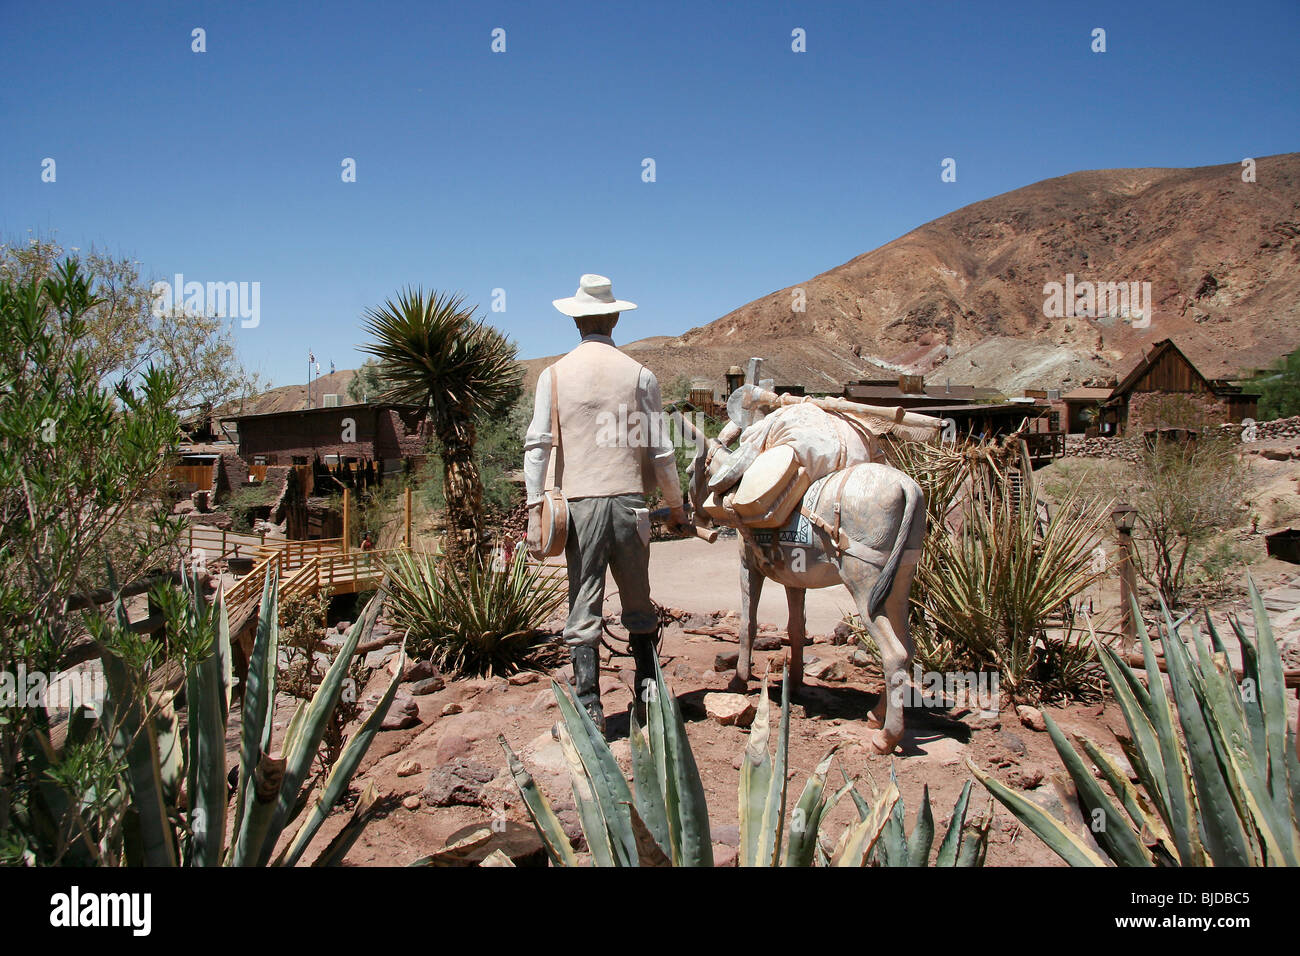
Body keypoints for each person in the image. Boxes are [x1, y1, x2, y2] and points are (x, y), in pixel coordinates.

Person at [524, 275, 689, 733]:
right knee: (638, 597)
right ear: (615, 317)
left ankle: (590, 706)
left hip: (578, 505)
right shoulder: (639, 375)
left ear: (575, 321)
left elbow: (536, 445)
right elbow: (661, 451)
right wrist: (676, 507)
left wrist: (535, 506)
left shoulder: (553, 376)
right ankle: (648, 696)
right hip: (631, 506)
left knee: (584, 601)